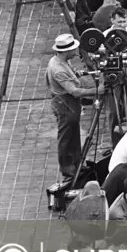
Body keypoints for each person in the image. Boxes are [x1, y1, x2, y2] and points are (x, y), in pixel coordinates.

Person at [46, 33, 96, 180]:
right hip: (65, 104)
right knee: (66, 137)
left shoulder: (62, 61)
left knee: (74, 134)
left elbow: (70, 74)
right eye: (73, 49)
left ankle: (76, 161)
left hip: (69, 105)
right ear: (66, 51)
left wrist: (76, 74)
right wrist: (96, 92)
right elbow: (75, 91)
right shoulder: (58, 69)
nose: (75, 52)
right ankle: (67, 168)